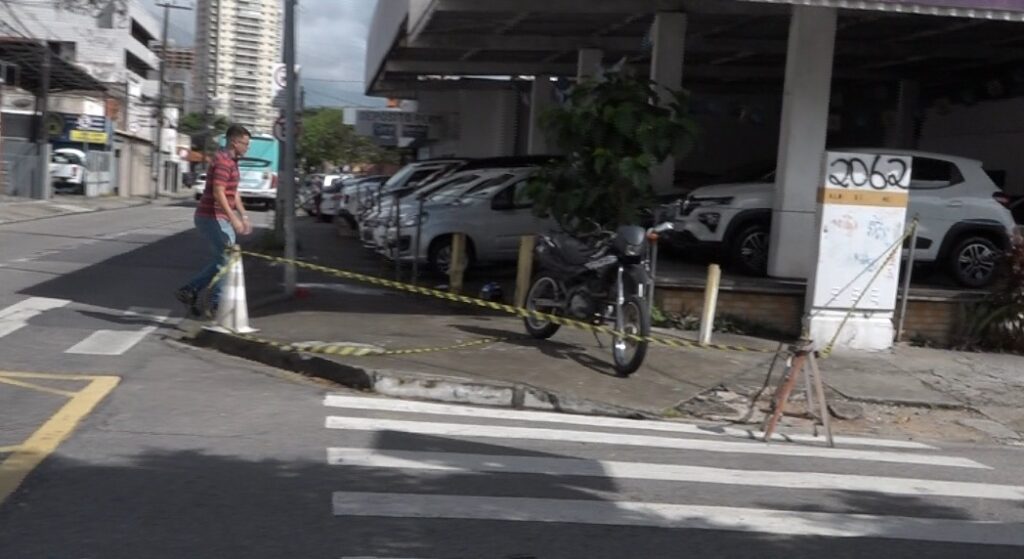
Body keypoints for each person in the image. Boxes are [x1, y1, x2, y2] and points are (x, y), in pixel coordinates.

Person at [175, 124, 254, 318]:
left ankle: (190, 290)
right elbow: (219, 192)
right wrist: (233, 218)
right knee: (227, 260)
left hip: (220, 219)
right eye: (245, 144)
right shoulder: (223, 161)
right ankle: (216, 304)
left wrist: (243, 215)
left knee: (225, 259)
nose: (247, 148)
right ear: (234, 142)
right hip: (211, 218)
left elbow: (233, 192)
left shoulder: (233, 162)